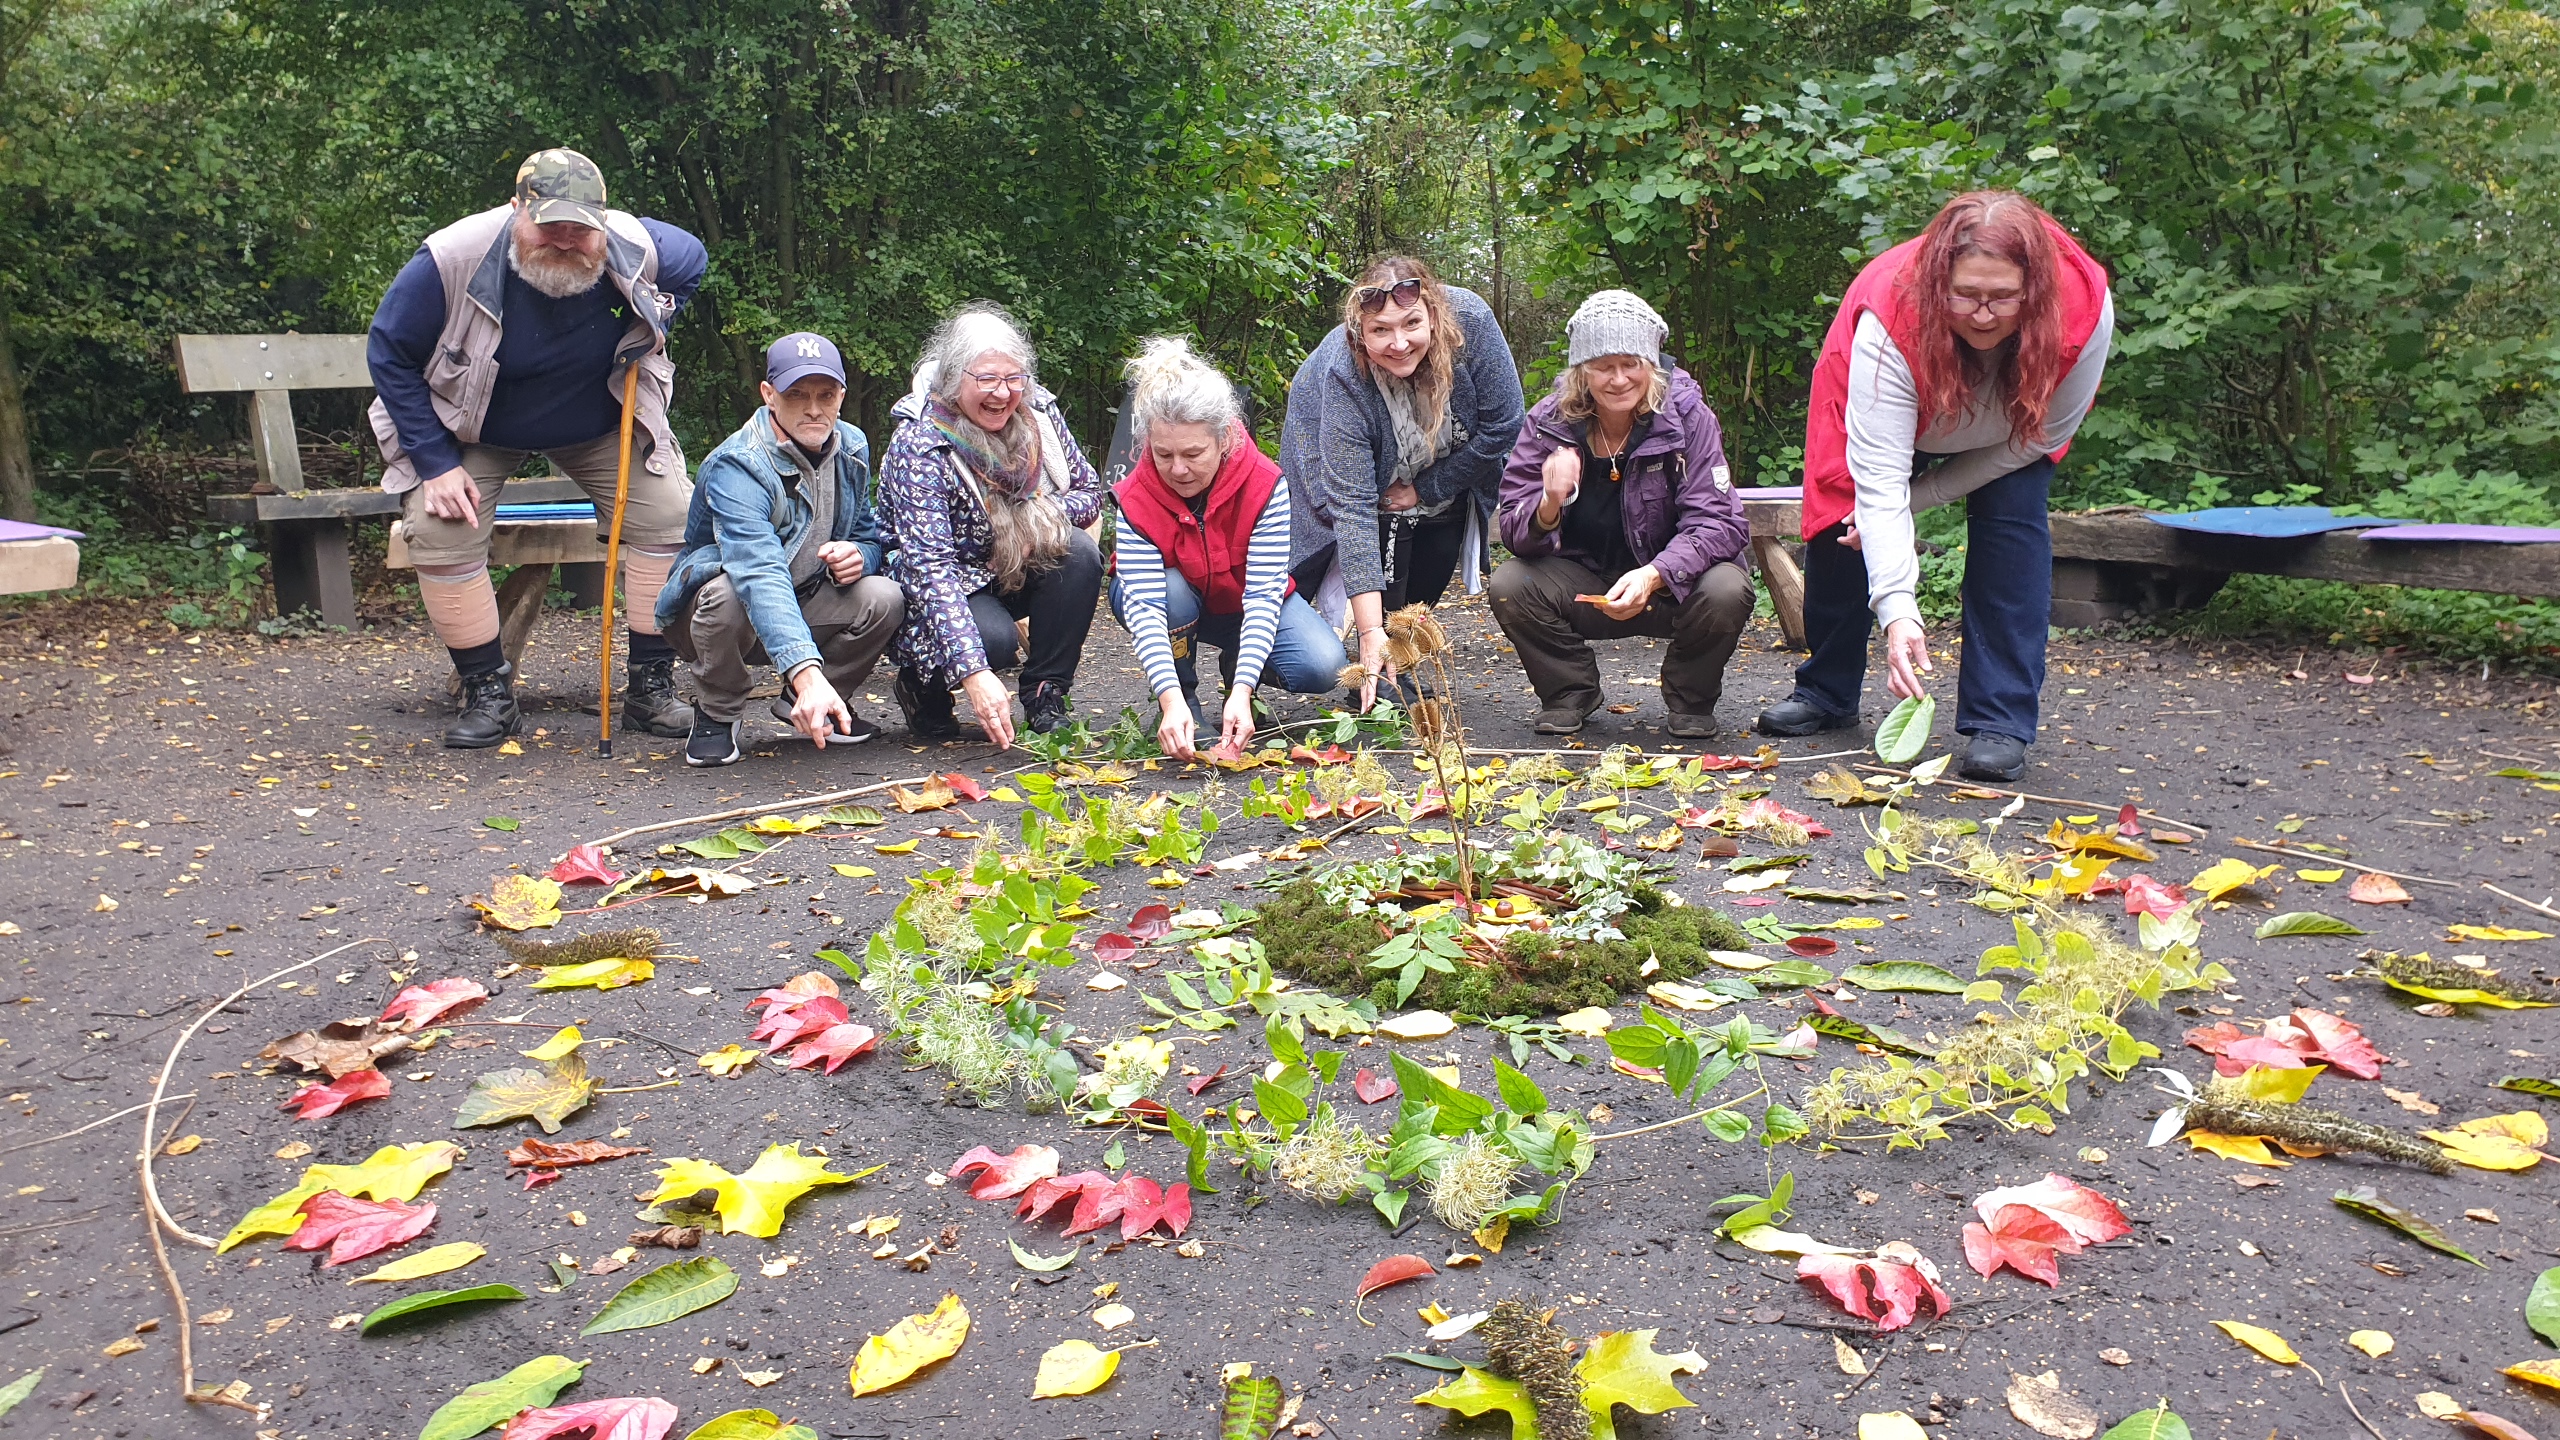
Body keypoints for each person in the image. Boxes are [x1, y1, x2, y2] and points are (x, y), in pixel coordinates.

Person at [1756, 190, 2114, 783]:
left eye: (2003, 297)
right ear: (1936, 283)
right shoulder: (1886, 319)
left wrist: (1917, 500)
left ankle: (2000, 719)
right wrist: (1900, 612)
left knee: (2013, 529)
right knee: (1840, 521)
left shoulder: (2084, 309)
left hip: (2012, 428)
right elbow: (1878, 485)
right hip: (1897, 403)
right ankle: (1827, 689)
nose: (1982, 314)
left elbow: (2035, 440)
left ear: (2036, 289)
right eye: (1965, 295)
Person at [367, 148, 707, 748]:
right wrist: (435, 463)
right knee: (439, 529)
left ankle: (650, 692)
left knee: (672, 515)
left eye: (582, 228)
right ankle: (488, 695)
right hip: (471, 426)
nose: (566, 241)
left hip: (601, 422)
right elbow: (388, 352)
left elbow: (692, 262)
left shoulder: (636, 245)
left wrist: (657, 320)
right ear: (516, 208)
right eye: (550, 225)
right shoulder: (449, 258)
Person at [1490, 291, 1754, 737]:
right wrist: (1549, 502)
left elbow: (1721, 522)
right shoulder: (1548, 422)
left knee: (1728, 586)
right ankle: (1569, 692)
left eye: (1630, 363)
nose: (1618, 379)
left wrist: (1655, 573)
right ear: (1581, 371)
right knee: (1510, 584)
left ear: (1650, 364)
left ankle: (1690, 697)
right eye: (1602, 365)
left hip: (1670, 588)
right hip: (1584, 587)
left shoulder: (1688, 415)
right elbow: (1516, 533)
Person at [1279, 256, 1524, 709]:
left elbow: (1504, 423)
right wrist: (1371, 631)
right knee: (1348, 538)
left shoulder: (1472, 322)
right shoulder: (1342, 372)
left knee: (1433, 547)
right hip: (1339, 448)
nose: (1398, 343)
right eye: (1380, 331)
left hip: (1446, 452)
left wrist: (1427, 488)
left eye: (1411, 324)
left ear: (1433, 313)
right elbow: (1350, 506)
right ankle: (1350, 659)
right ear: (1360, 333)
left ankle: (1398, 665)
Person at [655, 333, 907, 767]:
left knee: (886, 596)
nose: (814, 409)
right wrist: (805, 667)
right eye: (797, 395)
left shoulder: (853, 447)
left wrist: (860, 555)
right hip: (712, 615)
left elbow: (869, 535)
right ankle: (718, 711)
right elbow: (758, 572)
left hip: (805, 595)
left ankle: (811, 701)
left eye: (826, 395)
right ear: (769, 395)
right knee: (727, 594)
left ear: (842, 396)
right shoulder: (736, 465)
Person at [875, 304, 1104, 746]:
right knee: (992, 643)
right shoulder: (921, 442)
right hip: (947, 583)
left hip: (1013, 565)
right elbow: (929, 570)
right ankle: (924, 689)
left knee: (1079, 554)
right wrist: (976, 674)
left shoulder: (1040, 417)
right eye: (986, 380)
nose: (1002, 393)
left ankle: (1045, 695)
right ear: (952, 379)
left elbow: (1091, 493)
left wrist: (1033, 515)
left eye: (1013, 378)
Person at [1108, 337, 1347, 759]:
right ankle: (1185, 705)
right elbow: (1144, 606)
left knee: (1324, 665)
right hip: (1171, 602)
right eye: (1164, 454)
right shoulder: (1135, 496)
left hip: (1240, 599)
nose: (1177, 469)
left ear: (1223, 441)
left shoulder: (1265, 484)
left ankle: (1237, 664)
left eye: (1193, 453)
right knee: (1172, 593)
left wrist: (1243, 689)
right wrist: (1169, 699)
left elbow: (1262, 594)